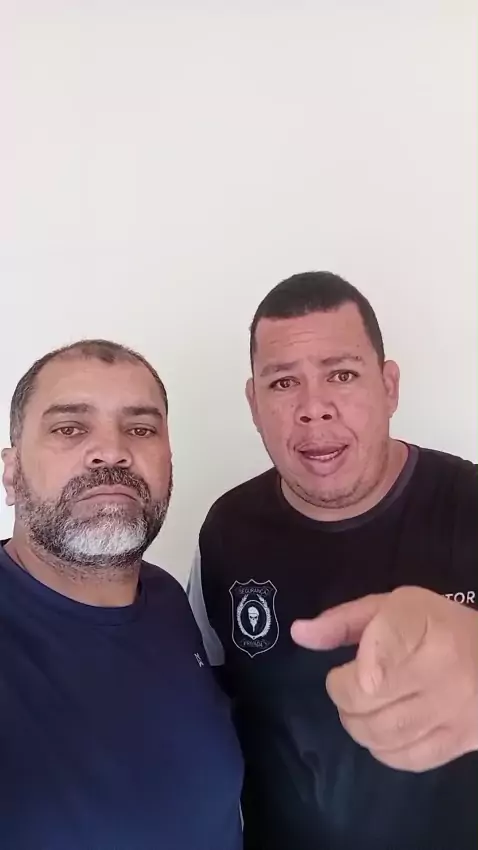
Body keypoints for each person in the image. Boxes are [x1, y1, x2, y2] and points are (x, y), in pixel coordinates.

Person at [188, 272, 478, 850]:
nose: (313, 409)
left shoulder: (469, 504)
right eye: (283, 383)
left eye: (341, 375)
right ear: (253, 403)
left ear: (389, 386)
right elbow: (203, 707)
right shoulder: (225, 532)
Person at [0, 339, 242, 850]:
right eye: (70, 428)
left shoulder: (168, 598)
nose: (112, 451)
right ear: (11, 471)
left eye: (141, 429)